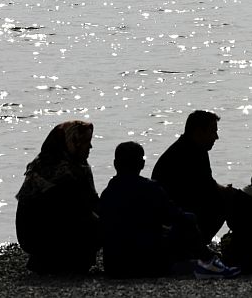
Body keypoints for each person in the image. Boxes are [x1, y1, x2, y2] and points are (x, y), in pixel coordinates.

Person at [100, 141, 239, 279]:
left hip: (114, 266)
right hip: (148, 265)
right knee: (188, 220)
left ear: (115, 164)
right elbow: (177, 216)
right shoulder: (150, 189)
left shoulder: (107, 194)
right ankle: (209, 261)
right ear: (142, 165)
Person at [15, 120, 101, 274]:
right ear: (72, 142)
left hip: (34, 240)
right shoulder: (65, 174)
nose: (90, 147)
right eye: (86, 142)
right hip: (48, 237)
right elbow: (81, 210)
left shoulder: (40, 165)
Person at [152, 110, 233, 243]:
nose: (216, 137)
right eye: (213, 131)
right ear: (198, 132)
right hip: (173, 214)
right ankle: (198, 244)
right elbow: (207, 187)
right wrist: (228, 193)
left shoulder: (194, 148)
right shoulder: (188, 154)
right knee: (227, 200)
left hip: (179, 207)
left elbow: (207, 183)